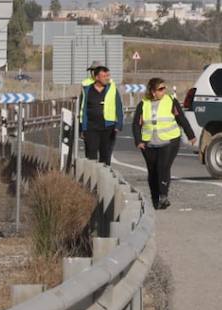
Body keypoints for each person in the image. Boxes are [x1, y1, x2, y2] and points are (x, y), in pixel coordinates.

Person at [132, 76, 196, 209]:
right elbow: (136, 124)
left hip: (169, 141)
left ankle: (163, 196)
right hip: (149, 143)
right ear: (153, 91)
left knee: (163, 167)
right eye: (160, 89)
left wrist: (191, 135)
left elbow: (181, 119)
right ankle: (155, 199)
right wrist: (138, 141)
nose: (163, 91)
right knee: (152, 171)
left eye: (164, 88)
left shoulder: (170, 101)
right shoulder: (143, 104)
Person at [79, 65, 123, 166]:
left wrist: (118, 124)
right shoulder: (87, 90)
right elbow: (83, 110)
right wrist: (82, 128)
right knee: (91, 156)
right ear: (97, 77)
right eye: (104, 76)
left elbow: (119, 107)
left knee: (105, 156)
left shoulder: (112, 89)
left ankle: (105, 177)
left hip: (108, 127)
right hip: (91, 127)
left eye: (108, 76)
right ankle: (92, 178)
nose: (107, 78)